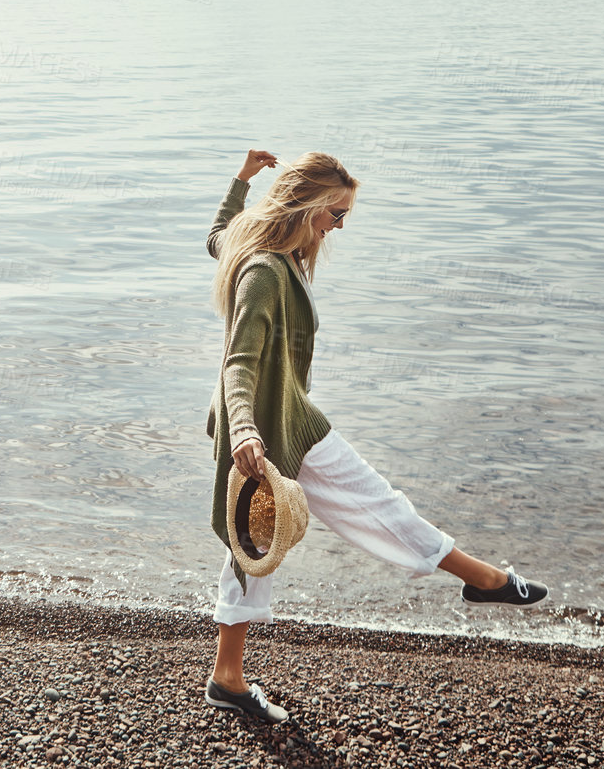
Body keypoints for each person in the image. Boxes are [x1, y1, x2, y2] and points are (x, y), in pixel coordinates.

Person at [202, 148, 548, 725]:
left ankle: (228, 676)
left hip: (280, 421)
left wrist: (239, 182)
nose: (339, 226)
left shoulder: (262, 248)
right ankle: (483, 579)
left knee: (256, 544)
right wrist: (244, 429)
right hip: (266, 427)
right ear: (308, 206)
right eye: (335, 215)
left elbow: (217, 236)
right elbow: (239, 361)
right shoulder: (265, 270)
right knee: (335, 516)